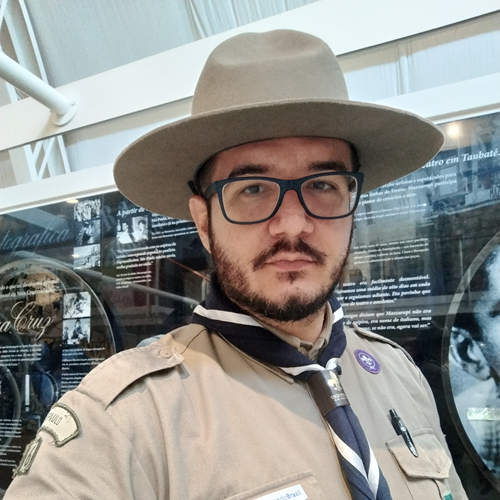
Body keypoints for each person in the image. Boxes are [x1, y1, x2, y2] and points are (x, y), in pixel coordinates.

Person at [5, 30, 467, 500]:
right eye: (252, 189)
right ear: (204, 222)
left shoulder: (398, 375)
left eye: (323, 184)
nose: (293, 224)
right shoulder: (127, 421)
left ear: (352, 202)